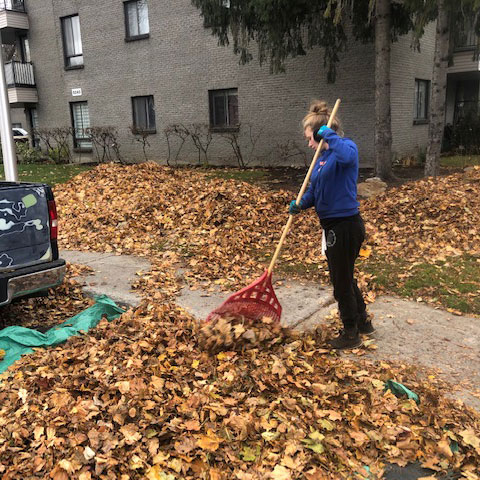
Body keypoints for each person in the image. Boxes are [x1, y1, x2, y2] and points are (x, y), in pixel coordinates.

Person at [289, 100, 374, 349]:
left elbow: (347, 157)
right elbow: (314, 191)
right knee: (345, 277)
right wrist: (300, 204)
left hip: (346, 225)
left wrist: (330, 136)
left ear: (320, 133)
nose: (308, 143)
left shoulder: (345, 148)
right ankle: (363, 323)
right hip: (331, 227)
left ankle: (350, 333)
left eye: (310, 137)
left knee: (341, 282)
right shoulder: (322, 159)